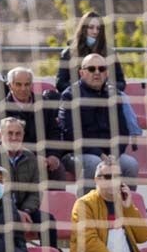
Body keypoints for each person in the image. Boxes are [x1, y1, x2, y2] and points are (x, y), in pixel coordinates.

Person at [0, 117, 62, 252]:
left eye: (18, 133)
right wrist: (15, 212)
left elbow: (36, 190)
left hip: (24, 208)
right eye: (10, 133)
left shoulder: (30, 157)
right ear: (0, 135)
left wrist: (26, 210)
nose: (14, 137)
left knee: (47, 221)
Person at [54, 10, 142, 138]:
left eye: (98, 28)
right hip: (79, 95)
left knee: (122, 96)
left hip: (104, 94)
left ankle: (134, 136)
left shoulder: (109, 53)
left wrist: (105, 86)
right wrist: (83, 86)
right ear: (83, 29)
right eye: (91, 27)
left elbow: (121, 82)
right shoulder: (69, 53)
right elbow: (60, 83)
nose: (95, 32)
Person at [57, 53, 140, 184]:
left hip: (110, 154)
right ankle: (88, 204)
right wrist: (99, 154)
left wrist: (115, 154)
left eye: (101, 69)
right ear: (81, 72)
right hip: (77, 153)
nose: (97, 72)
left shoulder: (114, 95)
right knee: (95, 163)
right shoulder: (70, 95)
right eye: (91, 69)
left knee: (130, 165)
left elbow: (123, 132)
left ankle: (123, 202)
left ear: (106, 73)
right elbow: (71, 134)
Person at [0, 67, 66, 183]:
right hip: (14, 159)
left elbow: (54, 133)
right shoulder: (0, 110)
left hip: (44, 158)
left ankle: (57, 201)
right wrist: (32, 158)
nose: (23, 88)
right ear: (10, 86)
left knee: (58, 169)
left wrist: (53, 156)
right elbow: (0, 141)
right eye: (18, 84)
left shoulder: (44, 104)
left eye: (27, 84)